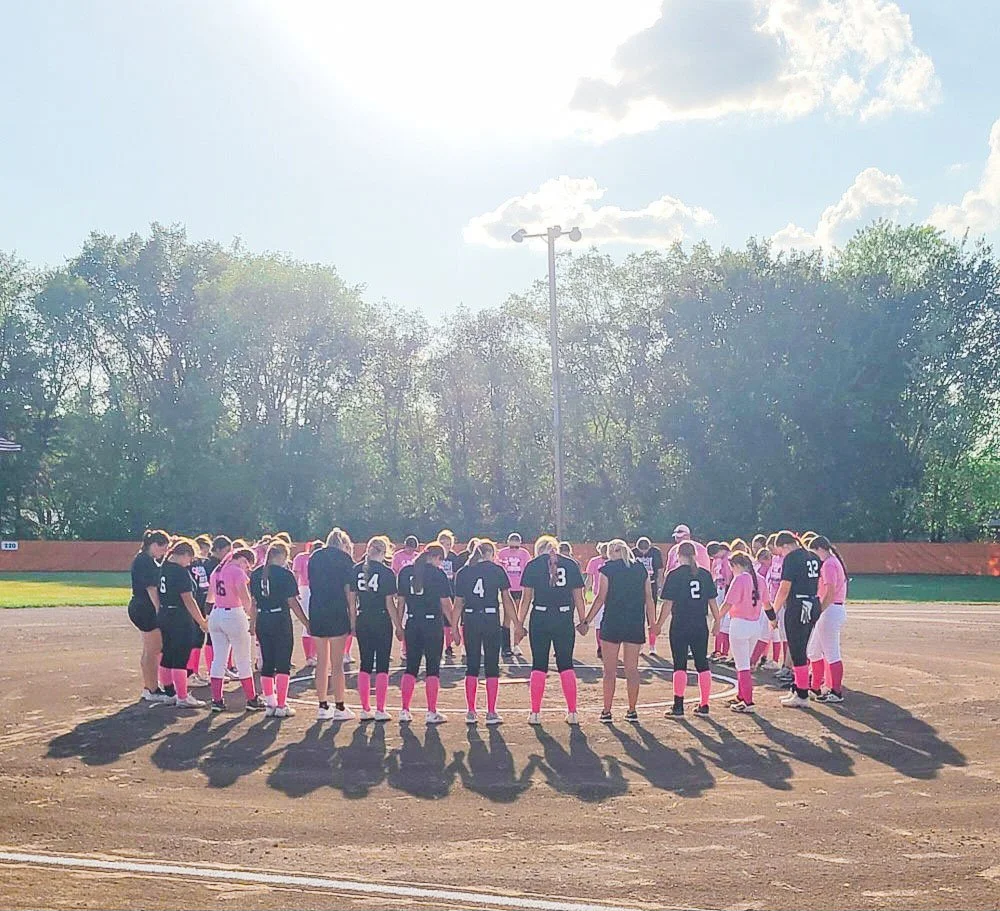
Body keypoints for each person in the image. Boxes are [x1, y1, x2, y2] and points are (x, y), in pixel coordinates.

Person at [581, 539, 653, 723]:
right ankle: (632, 710)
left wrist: (586, 620)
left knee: (609, 671)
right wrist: (653, 624)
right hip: (634, 622)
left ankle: (607, 710)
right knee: (632, 669)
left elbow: (600, 598)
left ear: (612, 552)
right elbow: (649, 598)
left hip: (613, 621)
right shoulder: (640, 569)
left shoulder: (608, 569)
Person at [516, 535, 587, 725]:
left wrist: (519, 623)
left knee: (539, 664)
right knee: (566, 664)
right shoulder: (570, 564)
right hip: (564, 617)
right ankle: (572, 712)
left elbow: (526, 599)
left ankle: (535, 712)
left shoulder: (533, 565)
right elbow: (579, 597)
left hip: (540, 617)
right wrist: (583, 620)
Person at [455, 540, 515, 725]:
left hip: (471, 619)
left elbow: (458, 603)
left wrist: (454, 627)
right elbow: (507, 600)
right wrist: (516, 623)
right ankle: (491, 711)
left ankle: (471, 711)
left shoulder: (464, 572)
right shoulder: (496, 570)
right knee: (492, 665)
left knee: (472, 664)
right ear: (489, 553)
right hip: (490, 619)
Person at [657, 541, 719, 718]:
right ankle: (705, 704)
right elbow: (712, 601)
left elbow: (667, 604)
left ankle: (678, 706)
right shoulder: (704, 574)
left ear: (678, 556)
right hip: (700, 623)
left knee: (679, 664)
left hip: (681, 623)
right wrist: (717, 621)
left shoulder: (674, 575)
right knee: (702, 663)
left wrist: (658, 624)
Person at [397, 544, 457, 724]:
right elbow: (446, 604)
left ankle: (405, 709)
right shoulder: (437, 574)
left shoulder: (406, 572)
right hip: (432, 624)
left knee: (411, 668)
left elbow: (400, 602)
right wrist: (454, 626)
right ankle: (431, 711)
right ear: (437, 557)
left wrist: (399, 625)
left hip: (413, 622)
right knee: (432, 668)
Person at [250, 542, 309, 718]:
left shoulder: (256, 573)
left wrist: (252, 624)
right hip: (280, 619)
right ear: (282, 555)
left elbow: (253, 602)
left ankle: (271, 703)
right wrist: (306, 622)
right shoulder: (285, 574)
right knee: (283, 662)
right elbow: (292, 601)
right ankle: (282, 704)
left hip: (263, 618)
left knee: (267, 662)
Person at [307, 528, 357, 721]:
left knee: (322, 661)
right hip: (336, 610)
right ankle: (340, 706)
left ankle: (322, 705)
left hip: (317, 609)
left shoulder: (315, 557)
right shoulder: (345, 560)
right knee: (337, 664)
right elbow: (349, 593)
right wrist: (352, 618)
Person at [351, 536, 401, 721]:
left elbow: (351, 601)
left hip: (363, 617)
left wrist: (352, 623)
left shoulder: (356, 570)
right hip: (381, 619)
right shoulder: (387, 573)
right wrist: (398, 626)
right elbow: (390, 603)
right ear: (384, 552)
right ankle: (380, 708)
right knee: (382, 665)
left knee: (364, 664)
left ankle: (365, 708)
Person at [208, 547, 264, 712]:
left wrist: (207, 618)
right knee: (243, 660)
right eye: (247, 565)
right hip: (233, 614)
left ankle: (217, 700)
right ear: (243, 560)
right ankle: (251, 699)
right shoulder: (237, 572)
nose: (247, 569)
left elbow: (210, 598)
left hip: (216, 614)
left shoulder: (217, 571)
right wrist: (253, 619)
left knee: (218, 660)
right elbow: (245, 599)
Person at [157, 539, 210, 708]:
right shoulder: (180, 572)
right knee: (180, 657)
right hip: (179, 616)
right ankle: (182, 696)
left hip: (165, 613)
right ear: (184, 555)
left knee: (167, 654)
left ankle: (169, 692)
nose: (190, 562)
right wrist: (201, 621)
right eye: (190, 558)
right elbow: (188, 599)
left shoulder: (163, 567)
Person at [771, 531, 822, 708]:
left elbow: (784, 588)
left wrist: (773, 611)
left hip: (798, 605)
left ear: (785, 546)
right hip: (813, 602)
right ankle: (798, 686)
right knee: (801, 648)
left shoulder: (792, 558)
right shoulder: (813, 556)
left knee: (797, 649)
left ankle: (801, 692)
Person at [714, 551, 767, 713]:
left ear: (736, 565)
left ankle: (748, 701)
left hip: (739, 625)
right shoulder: (760, 579)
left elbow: (728, 603)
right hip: (754, 625)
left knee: (742, 665)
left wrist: (717, 620)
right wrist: (773, 620)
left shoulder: (741, 578)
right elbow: (767, 603)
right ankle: (742, 696)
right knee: (743, 663)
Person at [127, 529, 171, 703]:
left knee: (150, 650)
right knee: (153, 650)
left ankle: (150, 687)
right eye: (163, 548)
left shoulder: (146, 559)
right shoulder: (145, 561)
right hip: (145, 608)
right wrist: (160, 611)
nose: (164, 553)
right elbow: (151, 589)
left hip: (141, 606)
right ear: (153, 545)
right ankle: (152, 689)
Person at [808, 535, 848, 703]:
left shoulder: (829, 564)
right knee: (814, 651)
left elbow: (830, 593)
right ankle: (817, 686)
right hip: (831, 610)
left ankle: (836, 691)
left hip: (829, 610)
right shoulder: (832, 562)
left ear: (819, 549)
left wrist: (819, 610)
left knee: (831, 653)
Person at [496, 533, 531, 660]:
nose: (514, 550)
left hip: (520, 587)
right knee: (508, 616)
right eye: (511, 547)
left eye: (516, 547)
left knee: (519, 617)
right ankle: (506, 647)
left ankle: (516, 644)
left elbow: (528, 569)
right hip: (507, 588)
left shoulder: (525, 554)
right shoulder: (502, 553)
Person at [186, 537, 213, 686]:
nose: (205, 553)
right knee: (192, 640)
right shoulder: (188, 565)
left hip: (202, 603)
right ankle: (188, 672)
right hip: (193, 604)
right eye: (203, 549)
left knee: (198, 640)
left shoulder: (202, 564)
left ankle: (194, 671)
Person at [292, 540, 322, 667]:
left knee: (316, 622)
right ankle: (309, 656)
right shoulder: (302, 557)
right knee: (307, 622)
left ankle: (313, 655)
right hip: (305, 589)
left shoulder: (318, 559)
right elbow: (296, 574)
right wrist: (295, 590)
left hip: (317, 589)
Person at [633, 536, 664, 655]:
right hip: (636, 587)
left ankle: (652, 645)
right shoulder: (633, 552)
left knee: (651, 616)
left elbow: (660, 570)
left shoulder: (656, 552)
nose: (643, 554)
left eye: (645, 551)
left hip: (652, 586)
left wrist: (660, 586)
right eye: (641, 552)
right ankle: (639, 644)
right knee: (638, 616)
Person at [707, 541, 733, 660]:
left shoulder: (728, 558)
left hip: (725, 591)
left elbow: (728, 579)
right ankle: (717, 649)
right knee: (718, 619)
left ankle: (724, 651)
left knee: (724, 622)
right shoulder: (719, 560)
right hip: (719, 590)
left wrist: (728, 595)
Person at [436, 530, 458, 659]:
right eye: (444, 543)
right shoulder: (434, 556)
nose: (447, 546)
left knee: (449, 619)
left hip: (449, 589)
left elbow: (455, 574)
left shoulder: (453, 557)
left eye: (449, 544)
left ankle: (448, 646)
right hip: (436, 590)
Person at [584, 543, 608, 658]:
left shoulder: (614, 562)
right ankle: (600, 646)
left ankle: (608, 645)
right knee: (598, 623)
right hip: (598, 594)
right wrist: (585, 592)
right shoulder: (594, 561)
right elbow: (589, 579)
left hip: (612, 596)